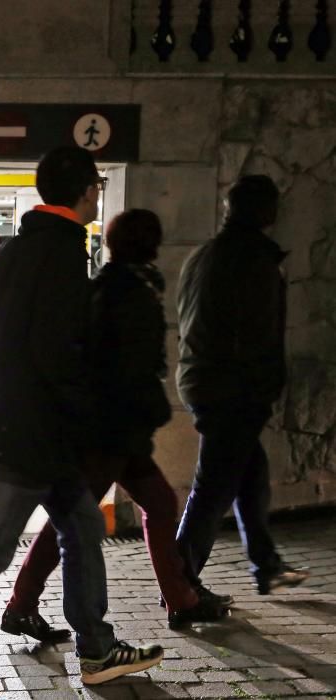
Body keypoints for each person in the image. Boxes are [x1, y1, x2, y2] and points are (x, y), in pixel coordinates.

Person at [0, 148, 163, 699]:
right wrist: (83, 411)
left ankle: (95, 648)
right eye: (94, 185)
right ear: (83, 192)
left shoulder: (18, 253)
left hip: (27, 425)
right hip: (37, 432)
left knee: (81, 528)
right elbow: (59, 355)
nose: (97, 193)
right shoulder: (63, 257)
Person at [0, 209, 230, 640]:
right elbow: (126, 368)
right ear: (151, 244)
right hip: (110, 433)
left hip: (118, 432)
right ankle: (25, 605)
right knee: (77, 519)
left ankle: (181, 599)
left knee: (158, 504)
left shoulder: (122, 286)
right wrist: (150, 410)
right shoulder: (127, 292)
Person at [175, 175, 309, 596]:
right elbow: (252, 335)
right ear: (265, 211)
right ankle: (179, 584)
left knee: (251, 475)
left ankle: (265, 563)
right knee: (212, 489)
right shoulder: (252, 260)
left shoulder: (204, 255)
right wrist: (263, 387)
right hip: (230, 390)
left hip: (205, 380)